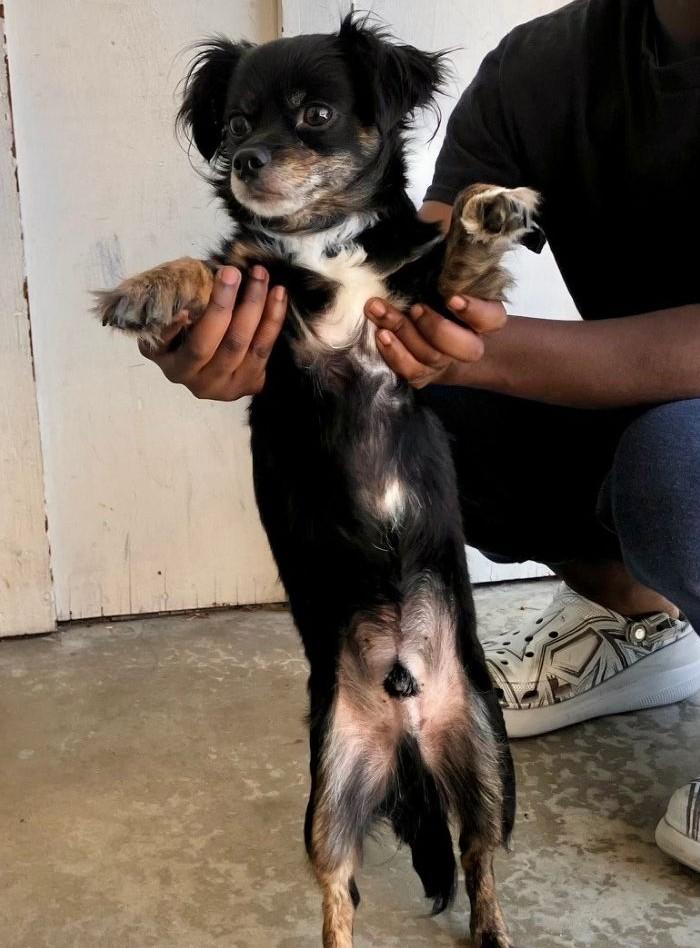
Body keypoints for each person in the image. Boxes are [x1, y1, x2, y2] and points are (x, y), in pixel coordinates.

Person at [140, 0, 700, 872]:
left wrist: (459, 350)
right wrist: (249, 338)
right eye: (241, 132)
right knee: (414, 409)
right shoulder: (542, 65)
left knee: (675, 471)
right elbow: (423, 262)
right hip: (639, 412)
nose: (260, 149)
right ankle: (641, 623)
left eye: (313, 115)